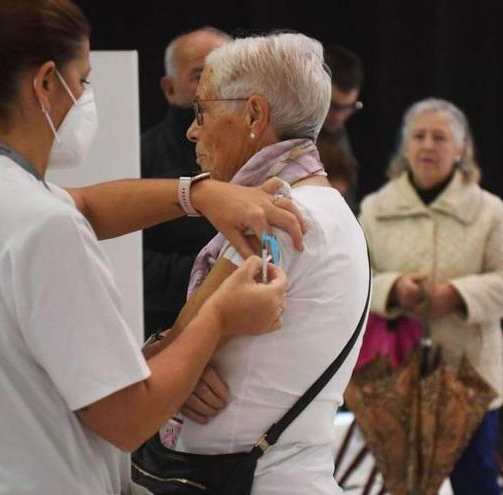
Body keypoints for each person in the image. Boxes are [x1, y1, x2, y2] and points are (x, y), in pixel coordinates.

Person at [0, 2, 307, 493]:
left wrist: (196, 193)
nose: (87, 96)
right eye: (83, 81)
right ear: (47, 83)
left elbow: (88, 205)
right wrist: (219, 317)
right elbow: (129, 419)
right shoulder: (41, 227)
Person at [142, 33, 370, 494]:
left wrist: (165, 357)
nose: (192, 130)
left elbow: (166, 364)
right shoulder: (325, 207)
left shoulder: (277, 214)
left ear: (253, 114)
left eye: (202, 111)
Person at [358, 98, 503, 495]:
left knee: (476, 483)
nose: (428, 146)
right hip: (393, 378)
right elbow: (352, 279)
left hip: (468, 379)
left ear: (460, 149)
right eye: (419, 136)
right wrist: (392, 289)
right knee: (404, 486)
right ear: (405, 147)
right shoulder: (374, 209)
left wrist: (457, 295)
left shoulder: (488, 211)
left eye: (440, 137)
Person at [141, 27, 231, 337]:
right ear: (168, 88)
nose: (212, 87)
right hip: (168, 331)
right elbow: (130, 263)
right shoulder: (141, 156)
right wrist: (220, 272)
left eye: (224, 74)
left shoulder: (260, 152)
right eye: (199, 75)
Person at [317, 44, 363, 212]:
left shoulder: (337, 131)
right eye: (333, 105)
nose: (339, 117)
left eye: (349, 108)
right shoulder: (287, 132)